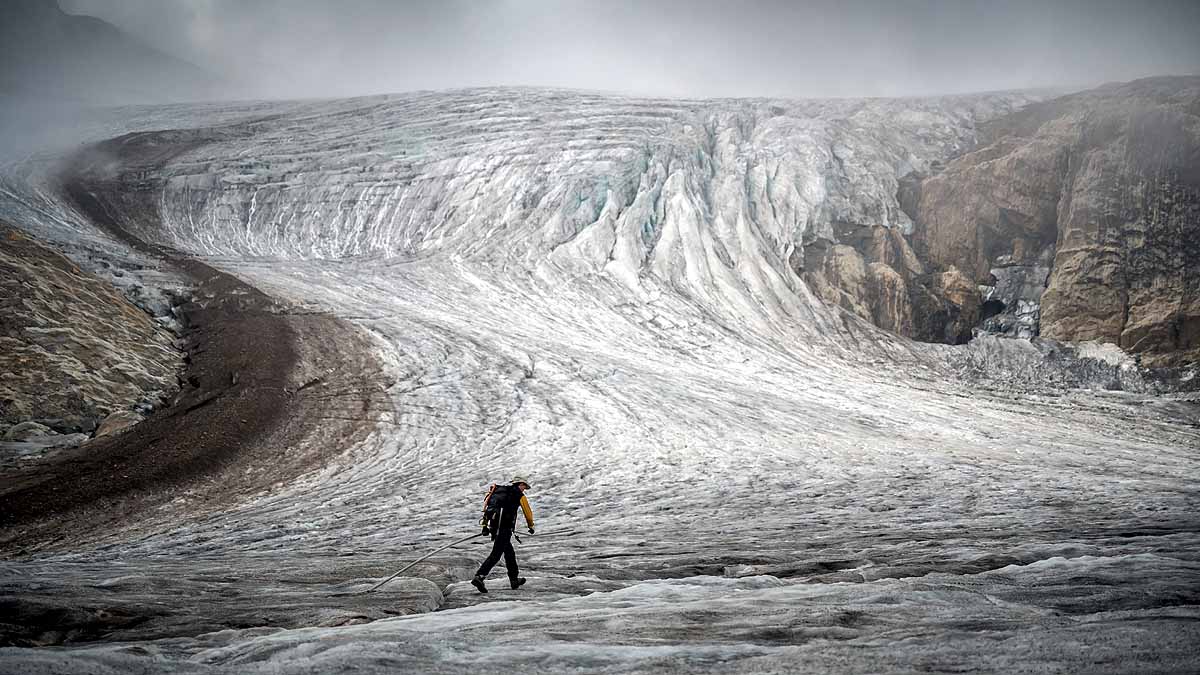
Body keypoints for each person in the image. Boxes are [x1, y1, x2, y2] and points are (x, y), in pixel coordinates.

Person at [471, 476, 535, 593]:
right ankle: (480, 576)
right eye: (524, 486)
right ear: (520, 484)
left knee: (509, 553)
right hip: (504, 529)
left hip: (495, 528)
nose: (524, 489)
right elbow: (528, 513)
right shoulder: (519, 495)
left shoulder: (500, 493)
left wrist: (485, 526)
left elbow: (488, 509)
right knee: (496, 554)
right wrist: (531, 526)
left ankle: (514, 580)